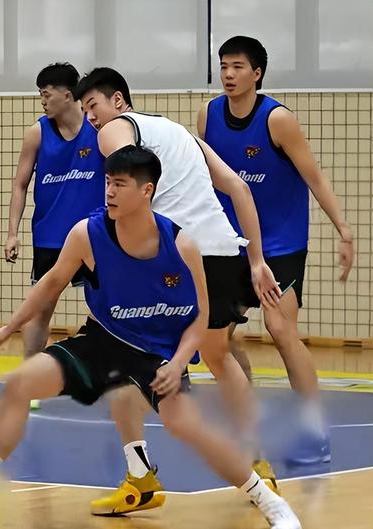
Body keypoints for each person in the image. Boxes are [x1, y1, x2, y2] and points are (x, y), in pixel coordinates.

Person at [0, 146, 302, 529]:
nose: (110, 192)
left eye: (120, 184)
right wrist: (8, 328)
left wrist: (178, 363)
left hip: (156, 352)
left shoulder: (181, 245)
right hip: (102, 341)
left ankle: (270, 503)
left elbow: (200, 316)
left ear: (146, 190)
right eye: (107, 182)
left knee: (187, 426)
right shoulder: (87, 234)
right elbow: (50, 283)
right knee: (21, 382)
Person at [72, 67, 283, 514]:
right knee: (220, 357)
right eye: (85, 111)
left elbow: (127, 189)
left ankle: (140, 477)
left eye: (93, 106)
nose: (91, 118)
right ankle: (258, 464)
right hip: (221, 251)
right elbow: (239, 188)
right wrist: (257, 261)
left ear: (118, 101)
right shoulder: (183, 134)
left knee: (117, 353)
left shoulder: (115, 131)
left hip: (175, 254)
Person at [198, 35, 355, 464]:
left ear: (257, 73)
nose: (228, 74)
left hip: (281, 245)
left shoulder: (278, 120)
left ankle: (315, 432)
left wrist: (344, 230)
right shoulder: (208, 115)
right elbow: (205, 178)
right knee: (218, 339)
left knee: (280, 328)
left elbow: (314, 177)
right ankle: (248, 424)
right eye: (223, 66)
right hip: (230, 241)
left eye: (237, 67)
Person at [4, 62, 105, 360]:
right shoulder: (37, 133)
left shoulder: (99, 128)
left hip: (94, 234)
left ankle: (103, 366)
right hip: (50, 236)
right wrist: (12, 234)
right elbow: (19, 185)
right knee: (40, 310)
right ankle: (31, 370)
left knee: (107, 304)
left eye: (46, 94)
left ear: (68, 95)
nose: (42, 101)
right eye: (40, 95)